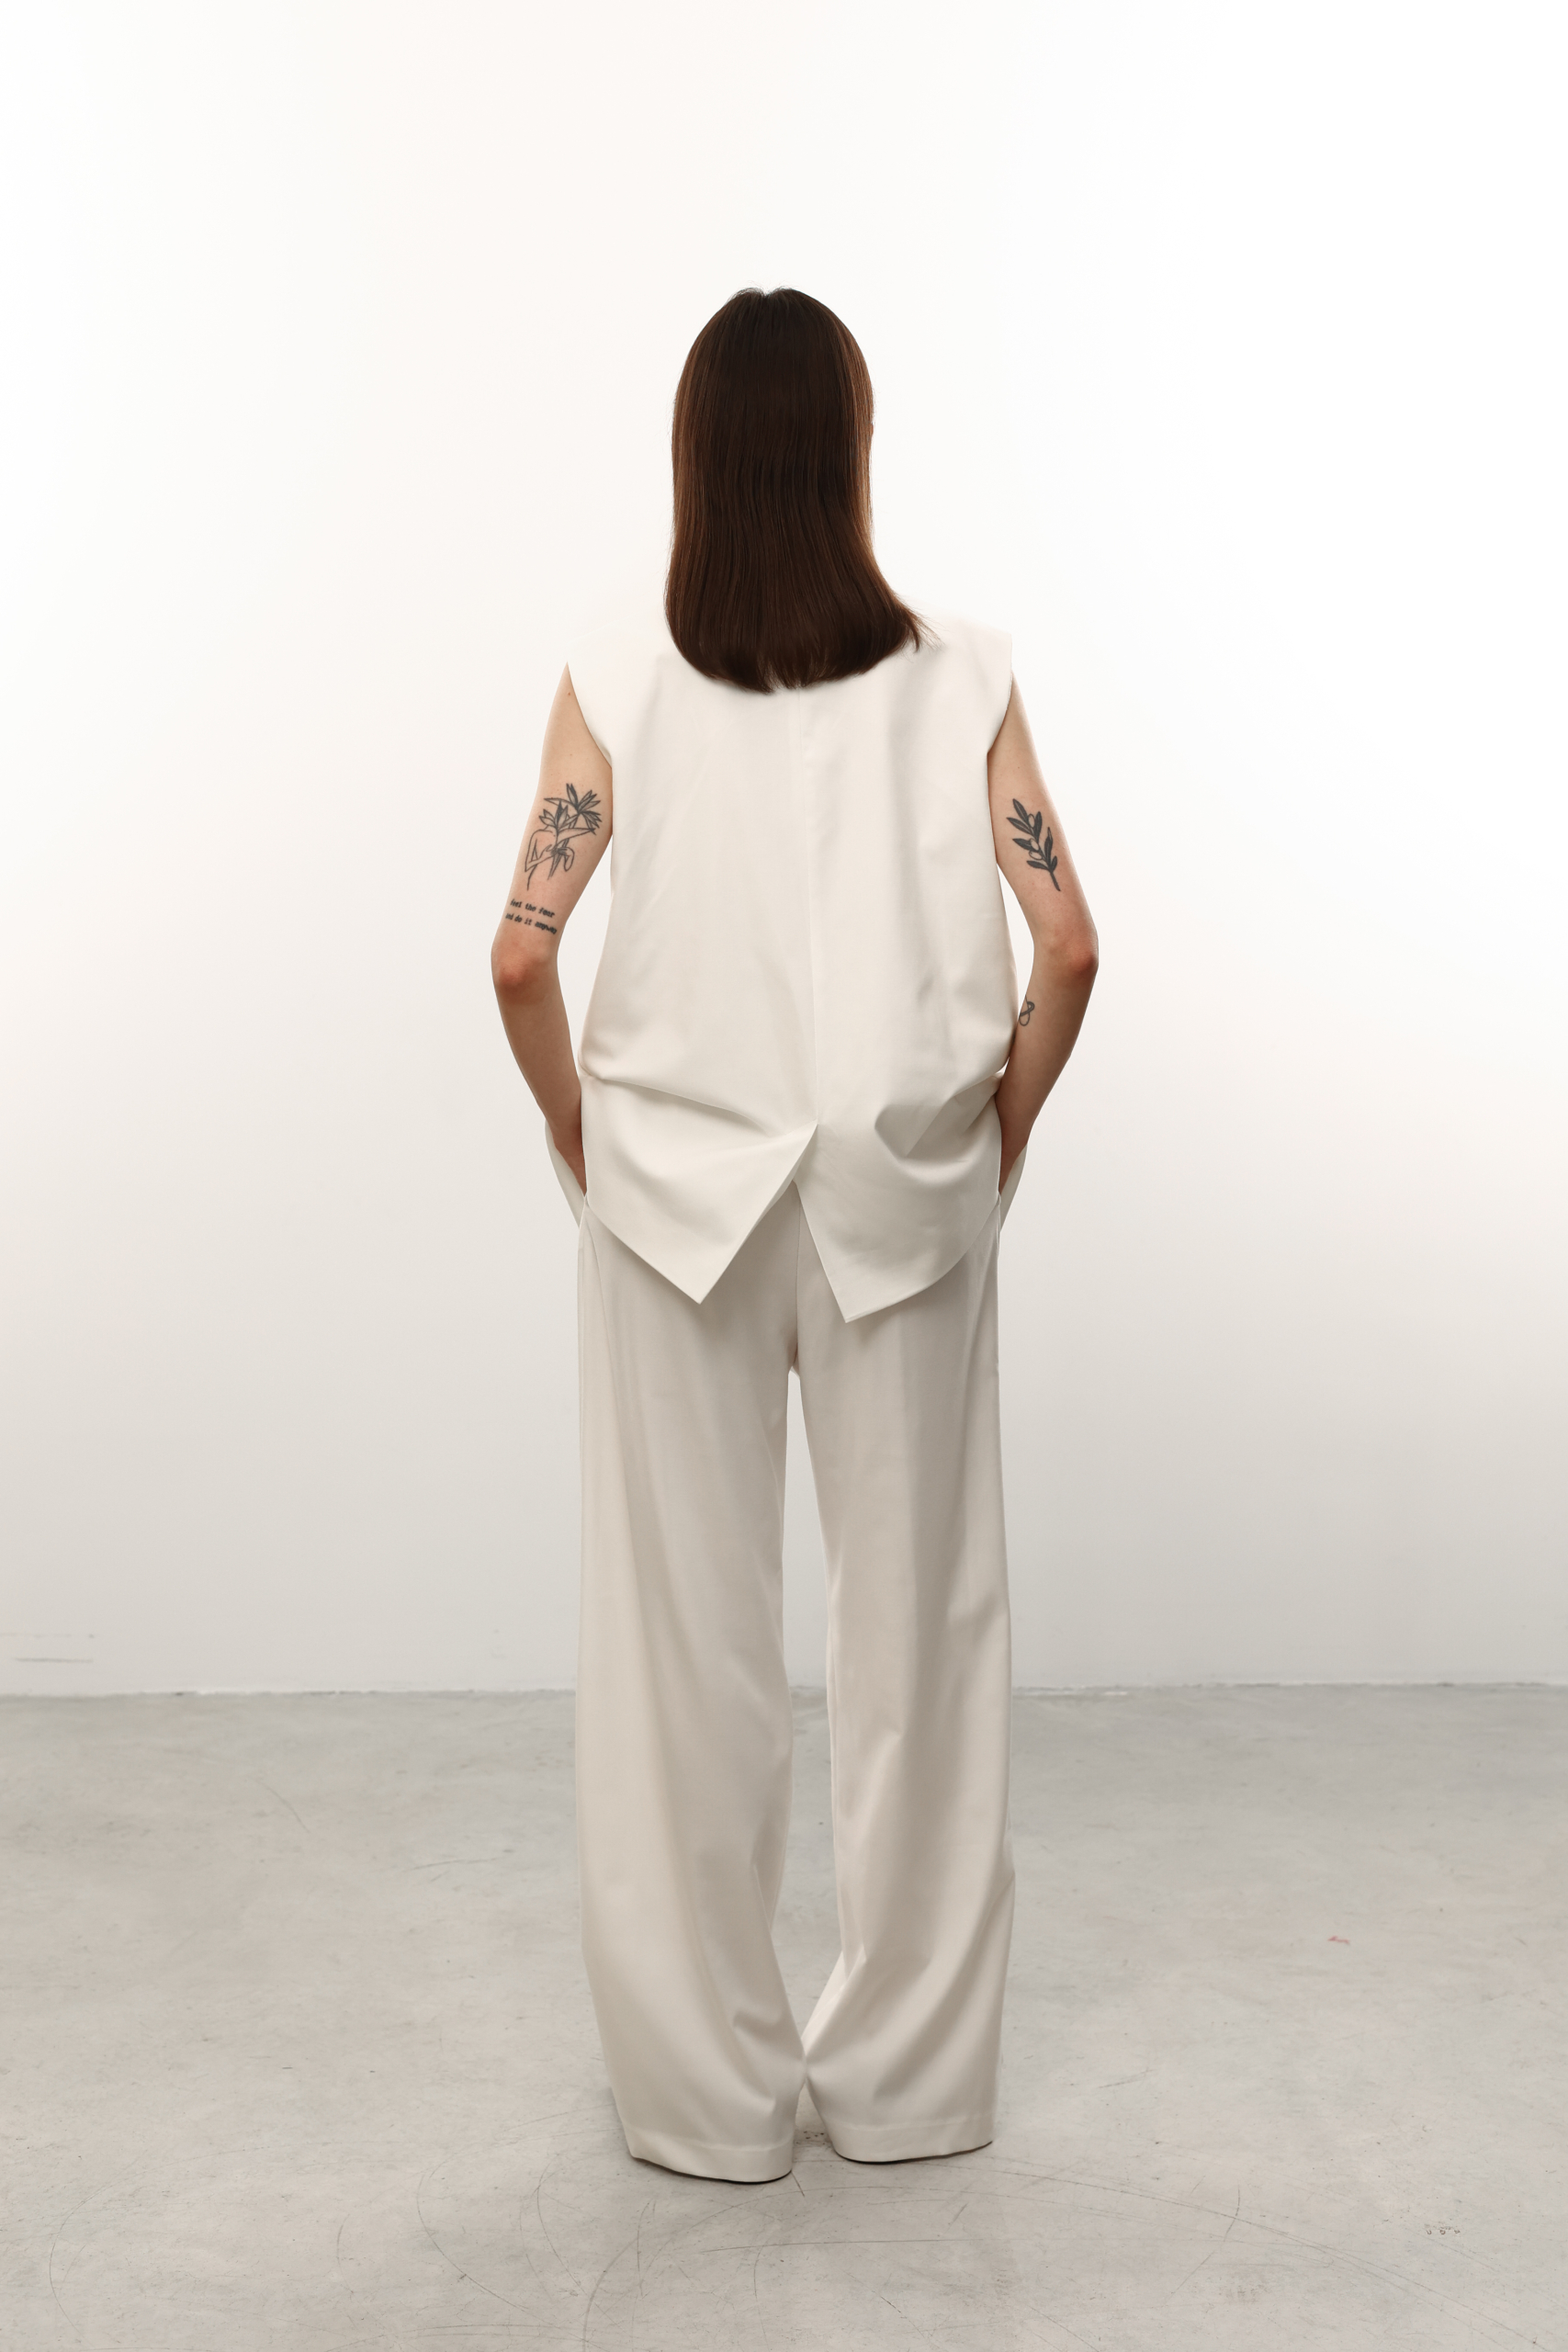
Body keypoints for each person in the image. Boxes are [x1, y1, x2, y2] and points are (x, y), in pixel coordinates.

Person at [491, 288, 1097, 2185]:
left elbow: (520, 954)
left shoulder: (617, 672)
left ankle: (707, 2100)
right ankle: (909, 2089)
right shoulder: (962, 674)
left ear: (694, 455)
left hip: (673, 1208)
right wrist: (999, 1128)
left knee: (683, 1657)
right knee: (922, 1650)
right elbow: (1069, 944)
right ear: (850, 453)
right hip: (900, 1204)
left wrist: (583, 1134)